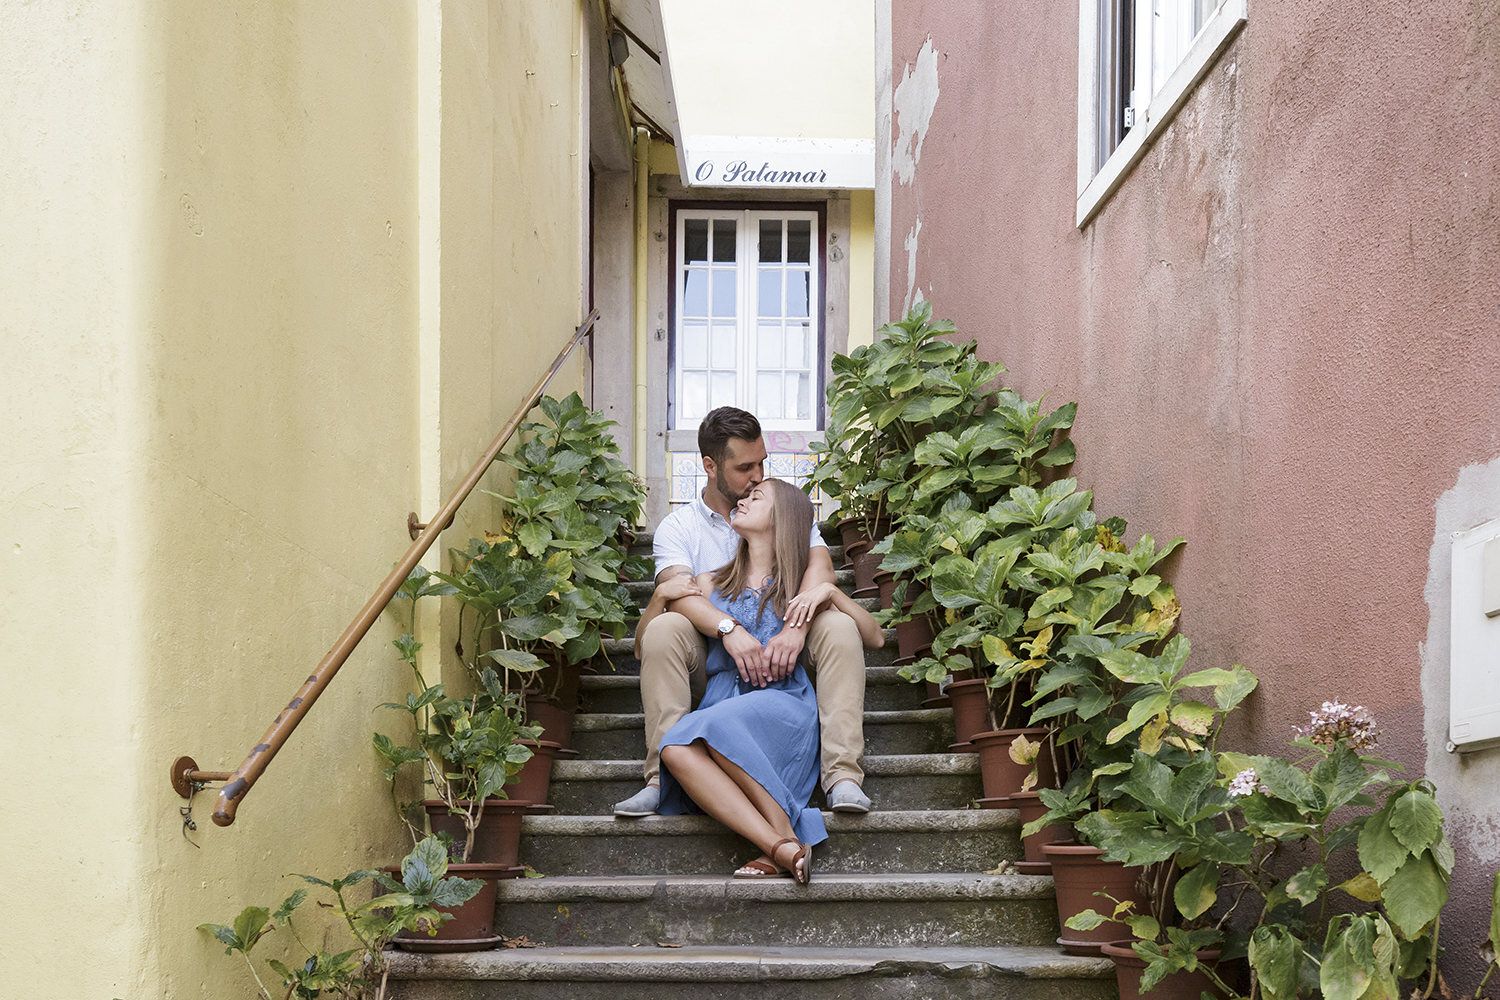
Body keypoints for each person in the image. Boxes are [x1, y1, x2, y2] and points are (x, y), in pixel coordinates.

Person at [614, 406, 876, 818]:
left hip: (787, 656)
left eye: (762, 464)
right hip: (713, 660)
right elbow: (681, 595)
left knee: (839, 625)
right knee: (665, 628)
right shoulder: (679, 528)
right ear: (710, 466)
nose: (757, 476)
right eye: (745, 468)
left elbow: (821, 569)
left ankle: (842, 775)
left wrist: (796, 626)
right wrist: (728, 629)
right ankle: (661, 777)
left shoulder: (782, 508)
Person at [653, 478, 885, 882]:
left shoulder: (798, 586)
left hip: (781, 704)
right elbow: (645, 644)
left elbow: (876, 637)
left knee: (708, 730)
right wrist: (659, 598)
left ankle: (779, 837)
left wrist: (830, 593)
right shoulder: (710, 583)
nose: (742, 500)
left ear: (783, 518)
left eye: (755, 498)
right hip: (724, 703)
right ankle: (782, 844)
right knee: (675, 748)